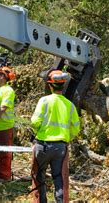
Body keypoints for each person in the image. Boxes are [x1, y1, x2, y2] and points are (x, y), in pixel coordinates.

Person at [30, 70, 80, 203]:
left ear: (50, 85)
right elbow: (76, 128)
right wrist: (67, 137)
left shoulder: (44, 101)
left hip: (43, 146)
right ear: (63, 86)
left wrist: (41, 130)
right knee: (59, 179)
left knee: (39, 177)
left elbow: (35, 122)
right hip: (60, 148)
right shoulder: (70, 106)